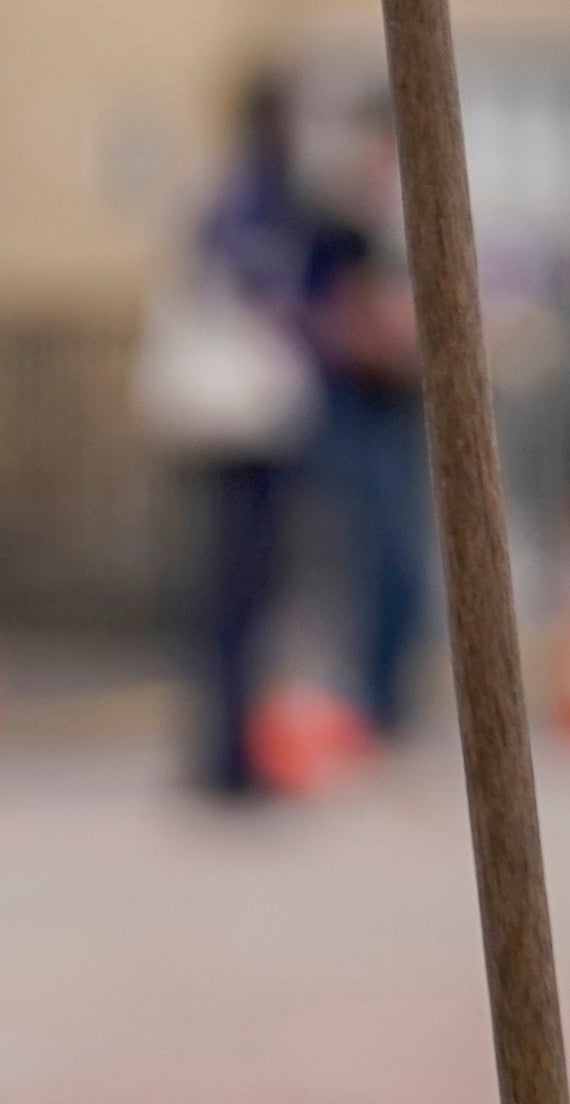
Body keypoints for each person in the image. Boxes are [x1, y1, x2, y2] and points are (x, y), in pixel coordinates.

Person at [154, 72, 329, 805]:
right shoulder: (255, 199)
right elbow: (257, 290)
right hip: (245, 424)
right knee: (241, 594)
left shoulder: (235, 195)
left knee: (235, 594)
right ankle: (227, 757)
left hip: (238, 425)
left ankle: (228, 750)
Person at [303, 110, 433, 742]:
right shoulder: (339, 236)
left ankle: (390, 702)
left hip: (399, 408)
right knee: (375, 558)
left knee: (405, 565)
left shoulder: (402, 234)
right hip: (358, 409)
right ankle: (371, 705)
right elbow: (336, 324)